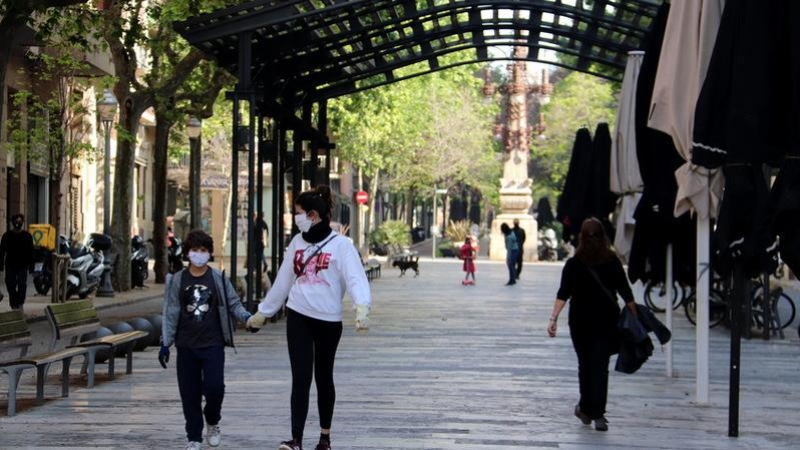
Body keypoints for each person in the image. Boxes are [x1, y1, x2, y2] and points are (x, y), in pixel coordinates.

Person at [246, 185, 372, 450]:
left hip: (328, 320)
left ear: (314, 215)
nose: (296, 218)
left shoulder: (341, 246)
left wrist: (361, 307)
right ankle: (296, 440)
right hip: (299, 315)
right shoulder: (297, 243)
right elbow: (283, 280)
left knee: (323, 376)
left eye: (299, 213)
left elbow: (355, 278)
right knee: (301, 377)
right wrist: (263, 313)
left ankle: (324, 437)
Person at [159, 229, 253, 450]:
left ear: (209, 253)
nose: (198, 254)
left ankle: (213, 419)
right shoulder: (177, 280)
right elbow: (171, 311)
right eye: (194, 250)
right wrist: (165, 343)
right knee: (189, 392)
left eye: (203, 250)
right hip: (186, 344)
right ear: (187, 253)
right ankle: (194, 437)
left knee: (215, 387)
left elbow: (234, 304)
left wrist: (248, 319)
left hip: (213, 343)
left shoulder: (218, 278)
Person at [546, 217, 637, 432]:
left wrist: (553, 319)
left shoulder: (573, 264)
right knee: (600, 367)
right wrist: (635, 317)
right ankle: (598, 415)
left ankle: (586, 408)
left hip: (580, 322)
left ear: (581, 238)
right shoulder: (612, 261)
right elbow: (626, 292)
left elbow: (563, 293)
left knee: (585, 365)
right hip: (607, 321)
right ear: (604, 237)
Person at [0, 214, 34, 310]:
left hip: (23, 266)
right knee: (10, 284)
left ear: (22, 223)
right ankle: (14, 303)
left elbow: (31, 252)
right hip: (10, 265)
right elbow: (2, 251)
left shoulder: (27, 236)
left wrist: (31, 266)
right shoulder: (6, 236)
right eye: (16, 222)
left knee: (22, 285)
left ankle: (19, 303)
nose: (17, 224)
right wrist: (1, 265)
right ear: (12, 222)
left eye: (19, 222)